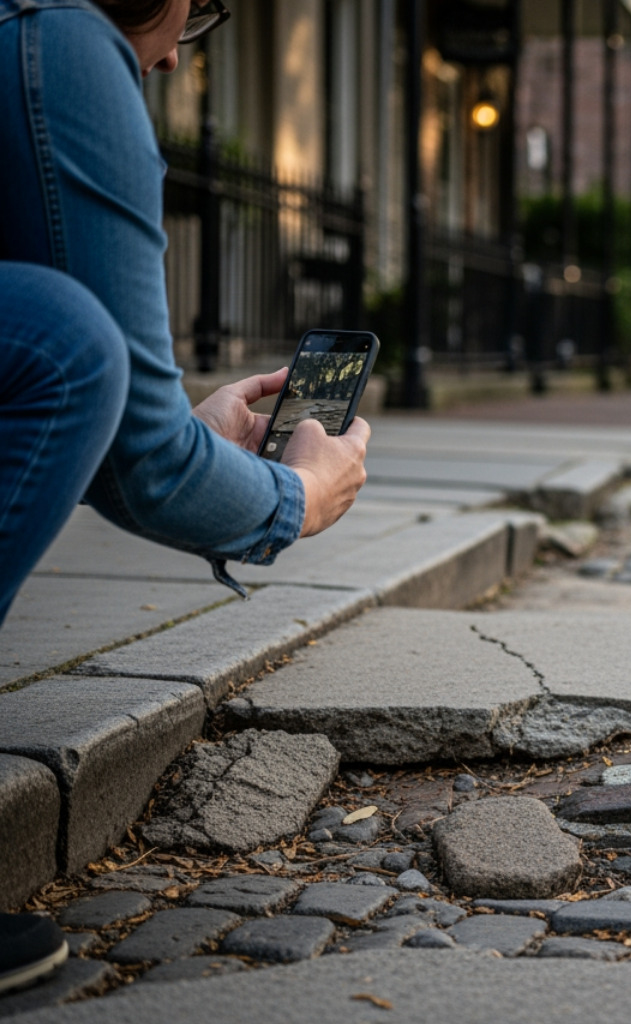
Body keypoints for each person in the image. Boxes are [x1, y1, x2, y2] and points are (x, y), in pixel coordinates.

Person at [0, 0, 369, 990]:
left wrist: (157, 427)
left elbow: (68, 434)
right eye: (196, 17)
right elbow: (145, 466)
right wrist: (292, 498)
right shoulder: (61, 35)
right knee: (71, 343)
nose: (170, 60)